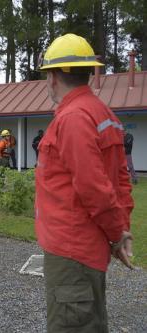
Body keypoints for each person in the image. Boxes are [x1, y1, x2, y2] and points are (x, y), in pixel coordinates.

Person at [37, 33, 134, 332]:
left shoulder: (73, 118)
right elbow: (120, 181)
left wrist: (118, 234)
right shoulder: (102, 114)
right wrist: (122, 229)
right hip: (86, 247)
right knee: (89, 321)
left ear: (53, 76)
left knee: (74, 324)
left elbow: (94, 188)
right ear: (89, 73)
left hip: (72, 251)